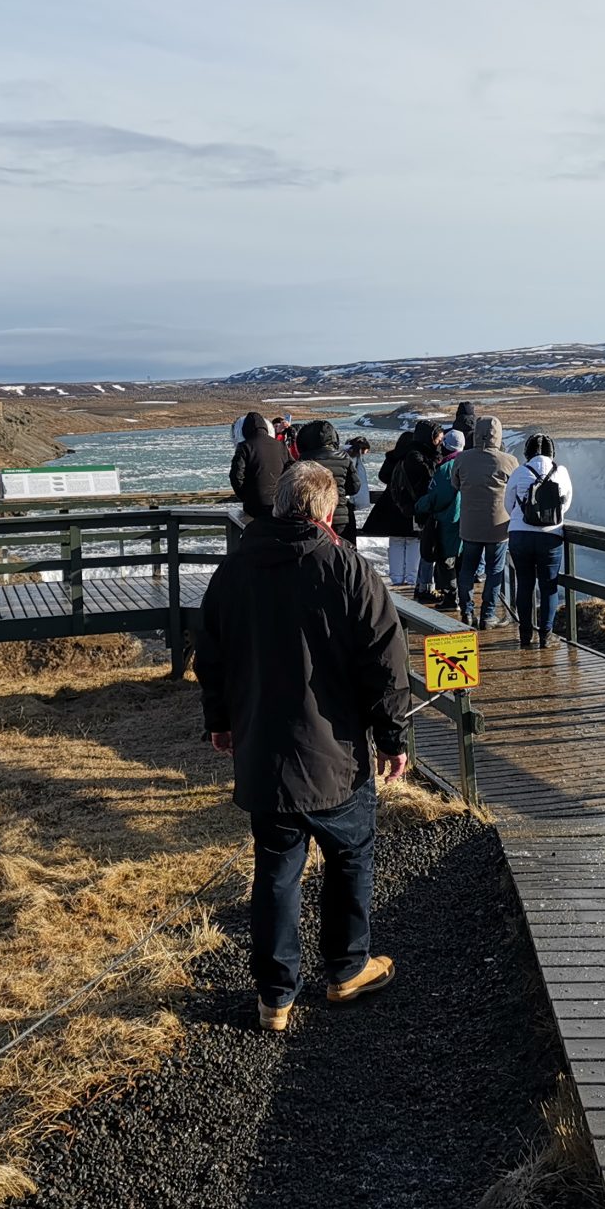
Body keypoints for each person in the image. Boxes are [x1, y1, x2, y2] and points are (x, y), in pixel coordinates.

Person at [196, 461, 409, 1033]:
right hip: (335, 756)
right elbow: (385, 659)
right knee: (349, 857)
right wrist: (391, 736)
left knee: (275, 872)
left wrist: (220, 720)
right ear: (326, 511)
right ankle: (345, 969)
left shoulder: (234, 568)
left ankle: (274, 998)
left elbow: (210, 654)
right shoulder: (346, 568)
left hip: (264, 751)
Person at [504, 433, 575, 649]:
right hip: (551, 536)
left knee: (525, 584)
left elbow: (508, 503)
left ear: (527, 452)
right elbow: (566, 504)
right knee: (549, 586)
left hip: (520, 535)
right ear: (552, 452)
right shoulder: (561, 472)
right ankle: (546, 635)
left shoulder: (520, 472)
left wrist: (522, 519)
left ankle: (525, 634)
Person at [451, 416, 517, 630]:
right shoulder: (508, 461)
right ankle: (488, 615)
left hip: (470, 524)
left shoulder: (462, 458)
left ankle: (467, 612)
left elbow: (455, 483)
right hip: (499, 527)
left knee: (467, 570)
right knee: (494, 571)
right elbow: (516, 491)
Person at [360, 424, 430, 588]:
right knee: (414, 541)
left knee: (396, 542)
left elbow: (383, 476)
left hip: (393, 504)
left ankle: (396, 578)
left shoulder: (393, 457)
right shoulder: (419, 458)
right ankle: (412, 579)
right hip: (413, 506)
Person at [414, 428, 465, 611]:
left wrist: (420, 506)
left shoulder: (446, 468)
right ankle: (464, 599)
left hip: (448, 521)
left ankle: (451, 599)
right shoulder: (468, 464)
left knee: (447, 561)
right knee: (462, 561)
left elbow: (438, 496)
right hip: (467, 521)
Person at [294, 420, 362, 540]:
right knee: (343, 553)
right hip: (340, 516)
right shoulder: (344, 458)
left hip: (313, 517)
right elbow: (354, 488)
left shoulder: (303, 460)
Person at [229, 412, 289, 522]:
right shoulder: (280, 445)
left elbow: (236, 476)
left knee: (255, 533)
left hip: (255, 506)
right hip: (279, 503)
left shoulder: (244, 447)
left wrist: (246, 497)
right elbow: (291, 470)